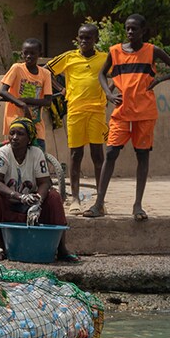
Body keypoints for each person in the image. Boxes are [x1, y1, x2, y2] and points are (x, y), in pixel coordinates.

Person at [86, 13, 170, 221]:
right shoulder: (115, 51)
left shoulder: (152, 51)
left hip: (144, 112)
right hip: (122, 112)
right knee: (111, 153)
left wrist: (158, 81)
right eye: (128, 28)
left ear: (143, 31)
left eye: (134, 29)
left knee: (142, 156)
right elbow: (102, 74)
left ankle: (138, 205)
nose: (130, 32)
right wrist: (109, 93)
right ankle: (98, 203)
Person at [0, 118, 76, 260]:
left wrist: (38, 200)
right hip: (7, 205)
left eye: (20, 134)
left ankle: (61, 249)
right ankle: (2, 246)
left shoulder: (37, 154)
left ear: (29, 139)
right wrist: (18, 196)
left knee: (54, 197)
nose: (14, 138)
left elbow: (45, 182)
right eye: (12, 133)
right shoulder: (2, 154)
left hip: (30, 208)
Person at [48, 23, 109, 208]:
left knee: (98, 155)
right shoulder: (69, 57)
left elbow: (117, 76)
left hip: (97, 111)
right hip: (75, 110)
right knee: (76, 154)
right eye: (81, 37)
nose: (84, 41)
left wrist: (109, 92)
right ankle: (75, 199)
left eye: (88, 38)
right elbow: (47, 70)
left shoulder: (105, 58)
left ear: (95, 40)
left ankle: (100, 200)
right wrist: (61, 89)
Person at [0, 38, 55, 147]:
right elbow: (3, 91)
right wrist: (22, 104)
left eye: (33, 53)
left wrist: (26, 101)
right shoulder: (17, 68)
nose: (29, 56)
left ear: (40, 54)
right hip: (16, 120)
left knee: (39, 153)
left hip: (36, 121)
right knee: (17, 154)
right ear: (22, 54)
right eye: (26, 53)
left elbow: (48, 101)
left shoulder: (45, 74)